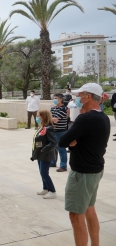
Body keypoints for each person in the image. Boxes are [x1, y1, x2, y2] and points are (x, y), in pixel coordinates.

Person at [59, 83, 110, 246]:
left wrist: (73, 142)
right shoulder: (103, 117)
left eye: (79, 96)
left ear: (88, 97)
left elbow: (63, 140)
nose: (77, 99)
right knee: (89, 209)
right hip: (95, 170)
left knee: (75, 215)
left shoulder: (85, 118)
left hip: (82, 173)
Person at [31, 110, 57, 199]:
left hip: (45, 154)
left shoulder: (48, 128)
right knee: (42, 173)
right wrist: (37, 151)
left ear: (43, 117)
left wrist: (43, 150)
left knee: (44, 173)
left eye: (38, 116)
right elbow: (39, 140)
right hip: (40, 154)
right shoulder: (42, 127)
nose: (37, 118)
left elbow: (53, 142)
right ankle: (45, 188)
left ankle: (52, 191)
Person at [50, 94, 68, 172]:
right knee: (53, 148)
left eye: (56, 98)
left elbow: (55, 119)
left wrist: (50, 119)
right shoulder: (53, 108)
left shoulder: (64, 108)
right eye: (54, 98)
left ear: (61, 99)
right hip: (53, 131)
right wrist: (51, 119)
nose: (54, 100)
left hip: (61, 132)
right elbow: (50, 118)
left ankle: (63, 166)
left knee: (61, 149)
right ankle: (53, 162)